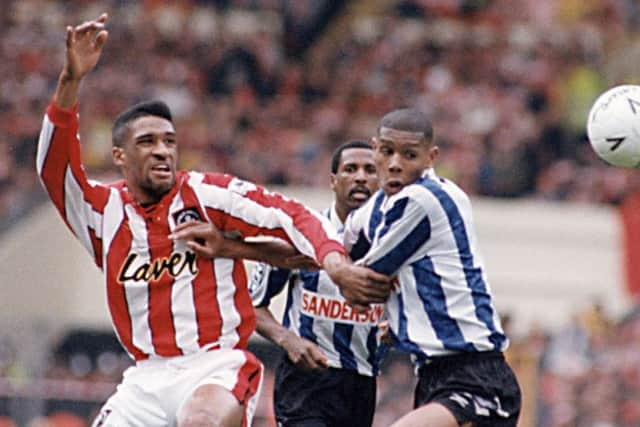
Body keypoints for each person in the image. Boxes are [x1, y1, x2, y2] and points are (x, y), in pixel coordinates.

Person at [36, 14, 391, 427]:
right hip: (145, 377)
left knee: (201, 420)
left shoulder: (207, 194)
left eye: (170, 142)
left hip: (215, 365)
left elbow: (290, 215)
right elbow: (53, 169)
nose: (162, 151)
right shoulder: (101, 212)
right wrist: (70, 81)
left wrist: (335, 264)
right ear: (119, 157)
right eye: (147, 142)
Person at [342, 108, 522, 427]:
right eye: (386, 152)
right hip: (430, 376)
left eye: (409, 155)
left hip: (476, 375)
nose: (395, 163)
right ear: (375, 150)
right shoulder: (377, 207)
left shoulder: (424, 200)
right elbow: (339, 242)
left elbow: (363, 281)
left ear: (431, 157)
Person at [248, 140, 384, 427]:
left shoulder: (394, 241)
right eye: (351, 169)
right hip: (307, 380)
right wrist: (288, 340)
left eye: (370, 170)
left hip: (362, 383)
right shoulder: (301, 234)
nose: (360, 177)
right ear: (333, 181)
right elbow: (251, 304)